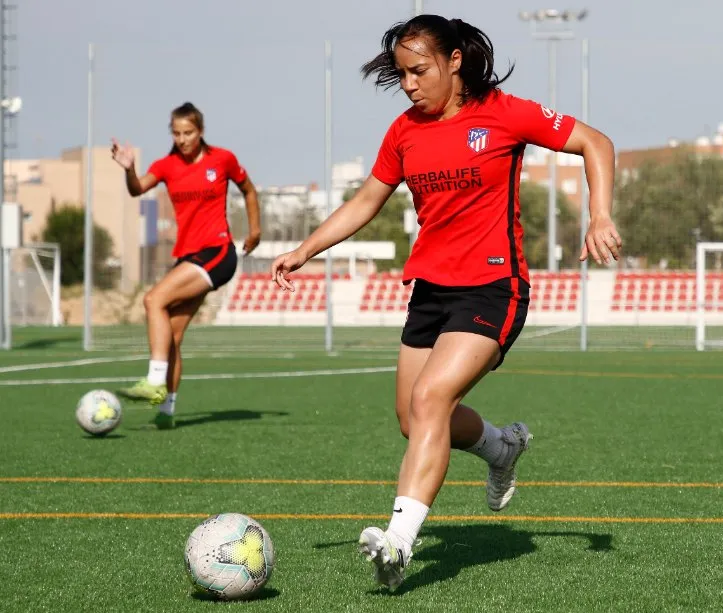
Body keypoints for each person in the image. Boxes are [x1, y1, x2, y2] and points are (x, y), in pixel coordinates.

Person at [271, 15, 620, 590]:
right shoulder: (404, 131)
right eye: (401, 73)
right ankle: (501, 445)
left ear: (455, 60)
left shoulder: (504, 113)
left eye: (419, 70)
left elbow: (594, 142)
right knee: (413, 418)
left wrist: (599, 213)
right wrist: (305, 248)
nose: (408, 84)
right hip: (430, 290)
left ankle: (398, 543)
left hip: (493, 286)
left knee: (432, 396)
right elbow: (365, 201)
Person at [112, 102, 261, 429]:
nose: (182, 139)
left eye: (188, 132)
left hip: (218, 253)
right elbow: (137, 189)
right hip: (189, 257)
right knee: (172, 338)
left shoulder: (222, 159)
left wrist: (255, 230)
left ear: (201, 131)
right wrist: (128, 168)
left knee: (153, 299)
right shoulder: (166, 165)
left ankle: (153, 380)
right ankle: (166, 412)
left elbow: (249, 190)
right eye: (177, 133)